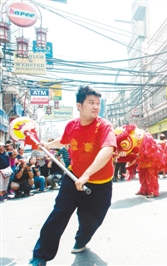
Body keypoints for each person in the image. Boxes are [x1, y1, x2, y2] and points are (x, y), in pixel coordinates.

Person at [29, 85, 116, 266]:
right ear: (79, 105)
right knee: (59, 213)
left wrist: (87, 175)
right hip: (73, 177)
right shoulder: (72, 126)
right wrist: (46, 144)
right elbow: (62, 141)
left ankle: (81, 239)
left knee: (91, 221)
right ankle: (40, 256)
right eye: (91, 102)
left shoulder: (104, 126)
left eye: (97, 103)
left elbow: (107, 150)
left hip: (99, 184)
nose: (95, 107)